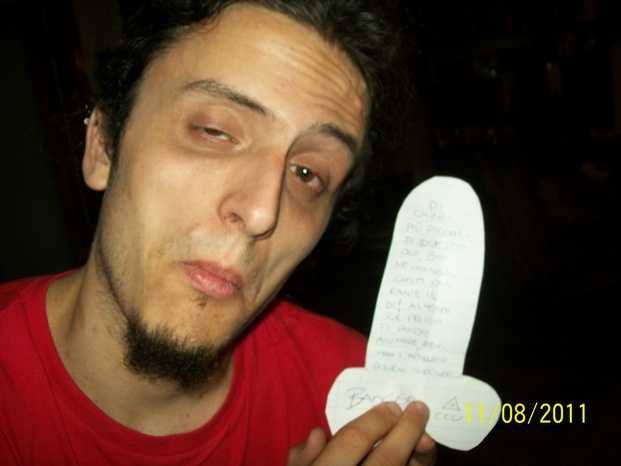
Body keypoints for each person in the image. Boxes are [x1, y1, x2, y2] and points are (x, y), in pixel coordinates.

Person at [0, 0, 436, 464]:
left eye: (307, 173)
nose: (262, 211)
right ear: (104, 144)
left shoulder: (365, 399)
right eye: (214, 131)